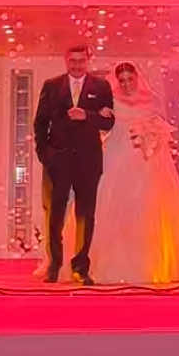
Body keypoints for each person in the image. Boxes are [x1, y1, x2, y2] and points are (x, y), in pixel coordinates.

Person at [90, 62, 179, 286]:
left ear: (137, 79)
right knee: (113, 205)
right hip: (117, 156)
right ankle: (110, 264)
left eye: (130, 79)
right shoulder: (110, 100)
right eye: (122, 80)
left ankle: (149, 264)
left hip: (146, 160)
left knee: (147, 207)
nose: (127, 84)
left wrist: (153, 137)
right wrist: (102, 114)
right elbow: (103, 125)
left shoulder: (150, 101)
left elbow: (160, 129)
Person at [33, 43, 115, 284]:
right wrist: (44, 154)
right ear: (66, 60)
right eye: (73, 61)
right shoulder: (51, 85)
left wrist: (87, 116)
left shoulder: (101, 87)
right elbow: (40, 123)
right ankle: (54, 265)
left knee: (85, 215)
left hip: (88, 161)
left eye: (81, 60)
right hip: (57, 160)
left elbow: (109, 123)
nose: (77, 65)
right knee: (55, 215)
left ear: (88, 60)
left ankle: (81, 266)